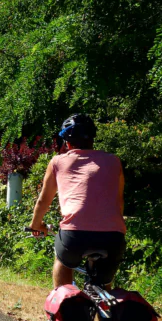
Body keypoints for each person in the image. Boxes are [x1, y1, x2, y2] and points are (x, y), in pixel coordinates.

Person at [28, 114, 126, 288]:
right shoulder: (113, 161)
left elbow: (44, 200)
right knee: (104, 287)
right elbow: (119, 203)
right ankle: (106, 310)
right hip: (114, 237)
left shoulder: (58, 162)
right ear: (93, 138)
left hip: (75, 235)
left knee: (63, 262)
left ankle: (64, 305)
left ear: (67, 141)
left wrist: (36, 225)